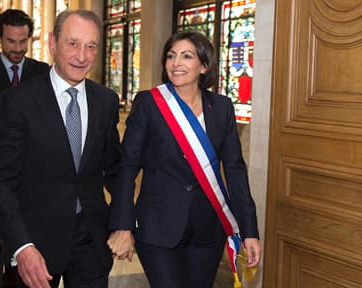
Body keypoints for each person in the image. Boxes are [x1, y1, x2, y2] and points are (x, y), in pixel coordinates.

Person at [108, 31, 262, 287]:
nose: (175, 63)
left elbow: (235, 170)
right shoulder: (149, 103)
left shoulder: (221, 107)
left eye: (186, 56)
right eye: (171, 56)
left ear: (203, 66)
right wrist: (122, 225)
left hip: (208, 230)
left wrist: (249, 231)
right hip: (158, 228)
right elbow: (127, 167)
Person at [0, 9, 121, 288]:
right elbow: (0, 182)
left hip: (90, 241)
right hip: (35, 243)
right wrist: (21, 246)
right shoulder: (18, 101)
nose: (82, 56)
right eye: (73, 44)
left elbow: (115, 170)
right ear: (52, 43)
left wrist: (124, 223)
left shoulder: (106, 101)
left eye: (91, 46)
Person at [0, 9, 49, 288]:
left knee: (24, 229)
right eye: (11, 41)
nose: (18, 48)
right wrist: (25, 121)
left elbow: (46, 124)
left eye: (23, 41)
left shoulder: (42, 72)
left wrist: (3, 116)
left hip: (31, 169)